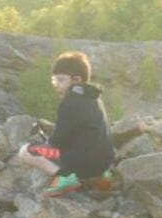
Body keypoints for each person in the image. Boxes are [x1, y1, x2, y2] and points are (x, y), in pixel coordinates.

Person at [17, 51, 115, 197]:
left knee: (26, 152)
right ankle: (101, 178)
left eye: (61, 80)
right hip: (105, 161)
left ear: (76, 80)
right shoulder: (94, 98)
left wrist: (45, 143)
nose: (56, 85)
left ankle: (66, 177)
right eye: (54, 81)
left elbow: (57, 142)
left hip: (84, 163)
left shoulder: (70, 102)